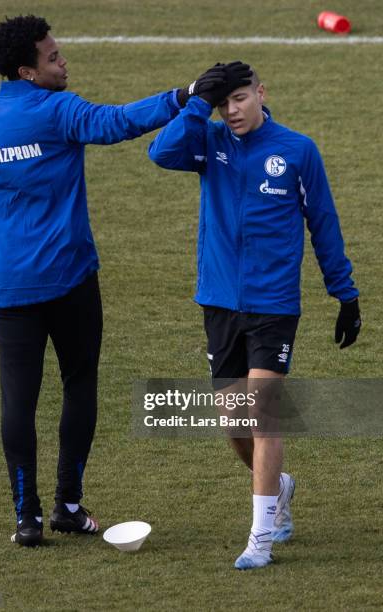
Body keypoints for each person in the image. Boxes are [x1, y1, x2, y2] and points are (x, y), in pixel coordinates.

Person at [0, 14, 252, 546]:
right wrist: (185, 95)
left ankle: (27, 518)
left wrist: (1, 242)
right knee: (78, 384)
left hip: (9, 288)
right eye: (53, 58)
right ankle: (67, 504)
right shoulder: (57, 110)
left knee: (17, 400)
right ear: (28, 71)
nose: (64, 62)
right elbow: (117, 123)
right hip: (69, 281)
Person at [148, 65, 361, 569]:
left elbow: (323, 222)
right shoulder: (208, 141)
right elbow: (160, 153)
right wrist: (198, 103)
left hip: (273, 306)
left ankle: (260, 540)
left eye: (241, 98)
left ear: (262, 93)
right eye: (226, 103)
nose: (234, 110)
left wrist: (344, 294)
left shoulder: (297, 150)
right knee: (234, 423)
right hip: (219, 303)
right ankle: (280, 488)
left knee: (263, 417)